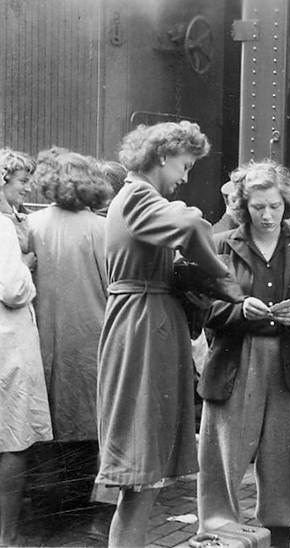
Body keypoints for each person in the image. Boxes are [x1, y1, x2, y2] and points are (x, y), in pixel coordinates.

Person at [96, 121, 229, 548]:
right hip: (142, 327)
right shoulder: (137, 195)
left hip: (146, 322)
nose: (184, 179)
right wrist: (226, 281)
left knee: (144, 475)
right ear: (162, 155)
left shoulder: (139, 199)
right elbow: (189, 225)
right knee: (140, 472)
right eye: (184, 167)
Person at [196, 160, 290, 548]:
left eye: (274, 205)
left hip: (288, 361)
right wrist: (239, 311)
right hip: (235, 361)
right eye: (258, 207)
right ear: (243, 206)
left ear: (286, 203)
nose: (267, 214)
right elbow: (204, 306)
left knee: (282, 459)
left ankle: (279, 541)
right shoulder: (222, 242)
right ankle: (218, 538)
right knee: (222, 458)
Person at [27, 151, 112, 513]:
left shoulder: (31, 223)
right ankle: (81, 503)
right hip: (92, 339)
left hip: (41, 338)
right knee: (89, 422)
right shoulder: (102, 228)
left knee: (46, 418)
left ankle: (47, 499)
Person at [0, 214, 53, 547]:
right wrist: (25, 263)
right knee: (13, 436)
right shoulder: (3, 226)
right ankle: (7, 534)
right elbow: (14, 289)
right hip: (7, 340)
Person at [0, 148, 37, 269]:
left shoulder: (30, 216)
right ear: (4, 180)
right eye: (23, 181)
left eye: (30, 183)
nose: (28, 189)